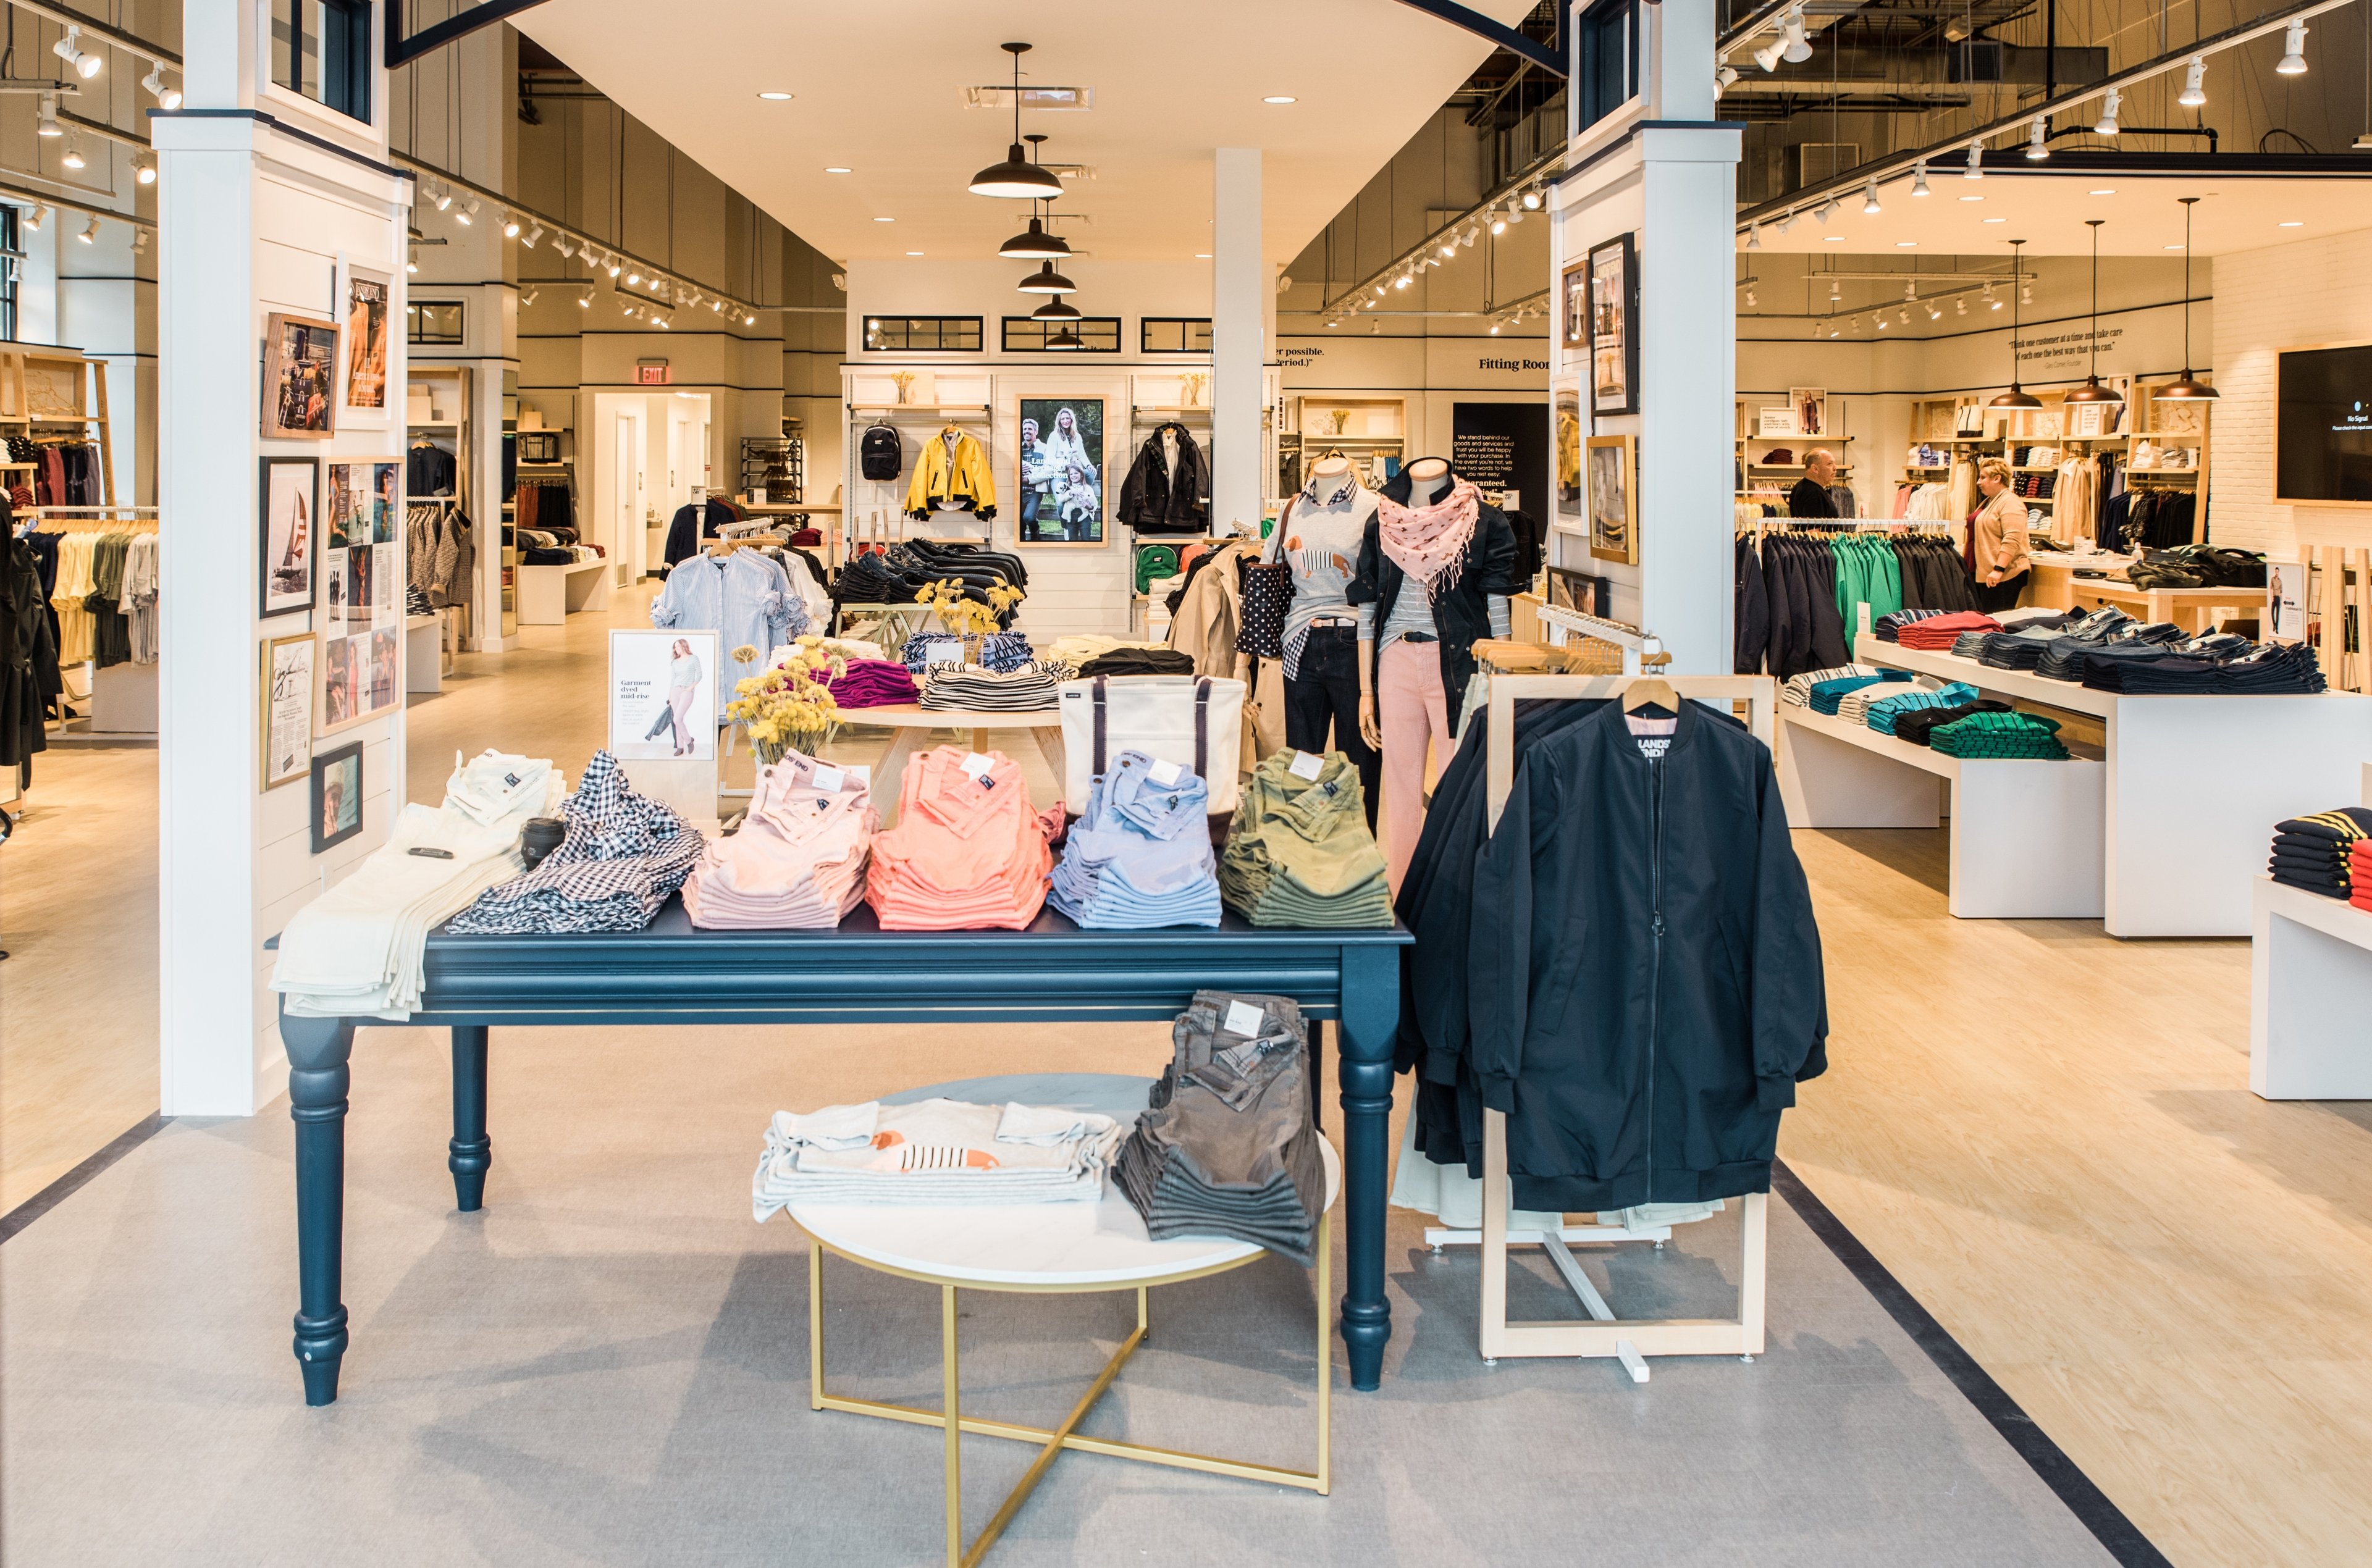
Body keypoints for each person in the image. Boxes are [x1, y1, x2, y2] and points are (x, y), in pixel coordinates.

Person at [1967, 456, 2032, 612]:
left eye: (1983, 478)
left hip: (2003, 576)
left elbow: (2012, 538)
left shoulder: (2010, 502)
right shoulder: (1990, 501)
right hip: (1985, 573)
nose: (1978, 482)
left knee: (1997, 622)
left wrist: (1998, 569)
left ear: (1997, 478)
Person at [1787, 449, 1840, 518]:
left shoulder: (1801, 487)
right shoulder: (1813, 493)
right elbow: (1813, 528)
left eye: (1834, 463)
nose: (1835, 468)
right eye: (1830, 464)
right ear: (1815, 469)